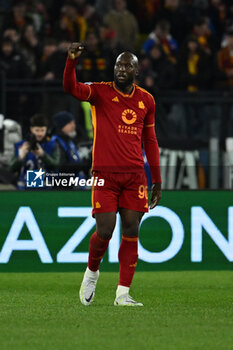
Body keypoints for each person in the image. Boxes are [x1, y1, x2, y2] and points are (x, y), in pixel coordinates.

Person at [63, 42, 162, 307]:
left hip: (134, 177)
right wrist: (71, 62)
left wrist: (157, 179)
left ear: (136, 71)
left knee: (131, 230)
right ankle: (92, 273)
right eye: (118, 64)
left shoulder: (146, 100)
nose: (121, 68)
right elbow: (71, 88)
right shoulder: (99, 92)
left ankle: (122, 294)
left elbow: (150, 141)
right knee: (105, 230)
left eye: (127, 65)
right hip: (104, 175)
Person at [9, 114, 60, 189]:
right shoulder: (21, 145)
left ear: (46, 130)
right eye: (37, 130)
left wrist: (42, 155)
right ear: (31, 129)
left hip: (45, 190)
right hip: (24, 190)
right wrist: (21, 156)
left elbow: (56, 165)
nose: (40, 134)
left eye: (42, 130)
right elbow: (11, 168)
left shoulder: (52, 145)